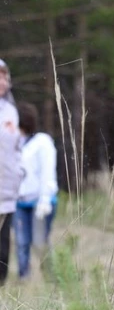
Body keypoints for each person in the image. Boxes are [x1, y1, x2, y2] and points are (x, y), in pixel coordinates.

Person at [14, 103, 58, 280]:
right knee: (21, 242)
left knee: (40, 242)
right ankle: (24, 276)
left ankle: (50, 278)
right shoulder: (15, 143)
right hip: (19, 201)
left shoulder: (42, 142)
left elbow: (48, 171)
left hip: (40, 202)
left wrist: (45, 198)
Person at [0, 59, 23, 286]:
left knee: (3, 252)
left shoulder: (10, 112)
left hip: (6, 194)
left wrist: (20, 173)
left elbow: (16, 150)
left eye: (5, 76)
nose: (2, 81)